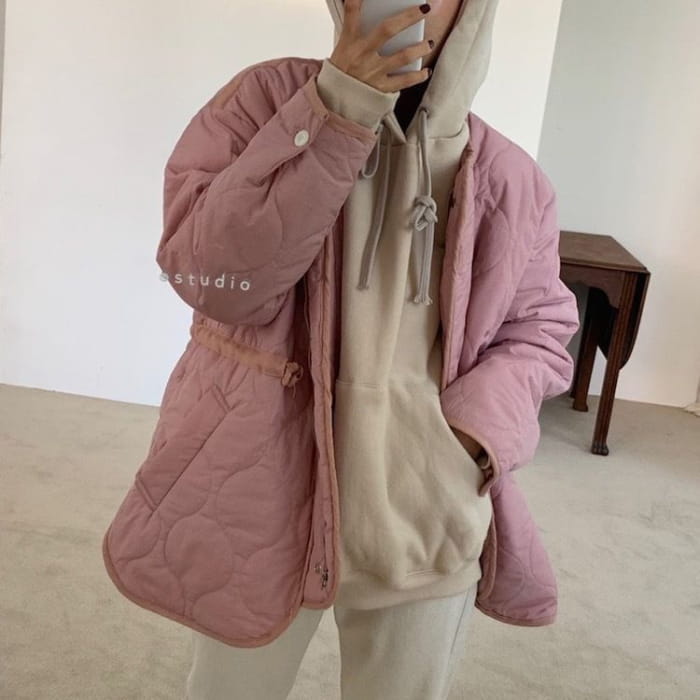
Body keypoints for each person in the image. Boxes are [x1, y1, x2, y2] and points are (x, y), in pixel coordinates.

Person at [101, 0, 581, 697]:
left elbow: (539, 328)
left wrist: (471, 440)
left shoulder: (513, 178)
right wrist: (337, 108)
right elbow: (212, 281)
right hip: (259, 499)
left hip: (427, 511)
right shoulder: (261, 103)